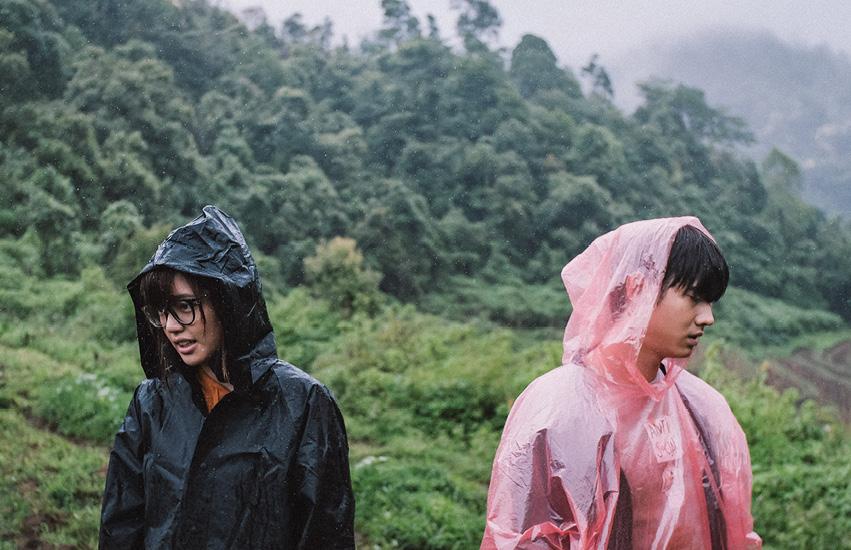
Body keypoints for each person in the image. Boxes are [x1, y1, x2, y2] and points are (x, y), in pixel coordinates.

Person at [480, 217, 761, 549]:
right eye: (693, 297)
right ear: (637, 287)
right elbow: (523, 536)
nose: (707, 318)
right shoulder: (557, 410)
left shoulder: (704, 408)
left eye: (710, 302)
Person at [99, 206, 355, 549]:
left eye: (184, 306)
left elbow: (325, 535)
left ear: (227, 301)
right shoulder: (152, 403)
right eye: (161, 311)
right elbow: (121, 528)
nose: (171, 326)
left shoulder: (304, 406)